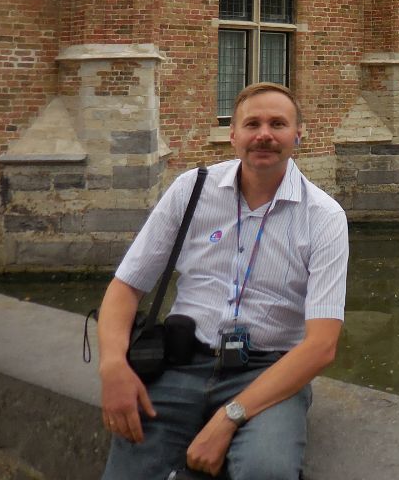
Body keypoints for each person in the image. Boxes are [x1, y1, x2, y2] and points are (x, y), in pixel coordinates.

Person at [97, 82, 348, 479]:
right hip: (181, 364)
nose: (264, 134)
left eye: (278, 124)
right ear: (233, 135)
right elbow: (126, 287)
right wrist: (113, 366)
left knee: (266, 471)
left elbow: (321, 345)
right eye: (252, 124)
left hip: (267, 372)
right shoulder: (192, 190)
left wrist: (229, 417)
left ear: (298, 135)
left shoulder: (323, 217)